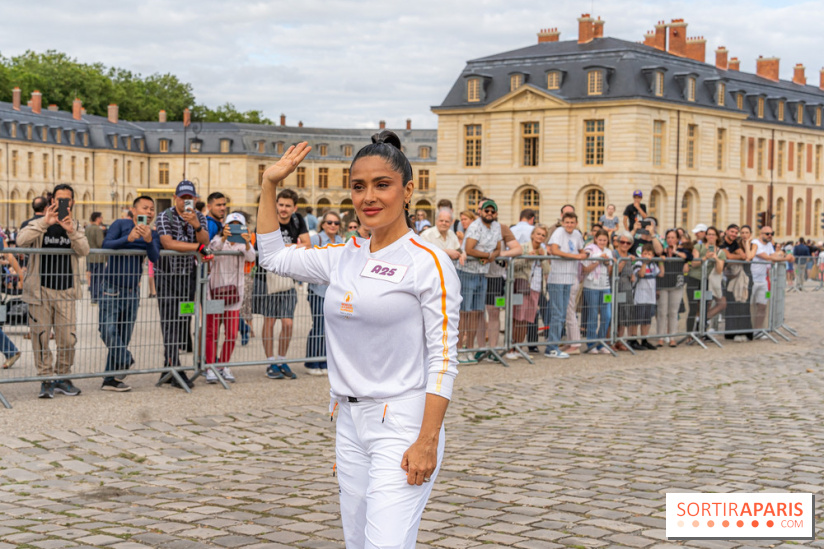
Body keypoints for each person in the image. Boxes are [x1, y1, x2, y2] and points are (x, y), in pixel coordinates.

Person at [257, 132, 459, 548]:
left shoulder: (428, 261)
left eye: (382, 185)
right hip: (348, 421)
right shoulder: (344, 254)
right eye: (359, 186)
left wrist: (427, 440)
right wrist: (269, 184)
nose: (369, 197)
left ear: (408, 189)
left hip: (402, 422)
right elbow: (273, 256)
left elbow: (443, 359)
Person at [17, 184, 90, 398]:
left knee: (68, 339)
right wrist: (44, 222)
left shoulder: (75, 225)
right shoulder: (36, 223)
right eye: (59, 199)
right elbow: (21, 241)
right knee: (40, 338)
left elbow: (84, 250)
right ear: (52, 201)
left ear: (73, 203)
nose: (62, 203)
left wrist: (72, 231)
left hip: (66, 290)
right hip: (39, 290)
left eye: (67, 199)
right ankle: (46, 378)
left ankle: (63, 376)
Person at [98, 196, 160, 391]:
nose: (149, 212)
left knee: (123, 334)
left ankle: (111, 379)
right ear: (134, 210)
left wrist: (149, 240)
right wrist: (129, 238)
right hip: (112, 288)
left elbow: (155, 256)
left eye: (152, 209)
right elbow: (106, 245)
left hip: (133, 290)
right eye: (145, 208)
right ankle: (125, 358)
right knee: (107, 329)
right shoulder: (121, 224)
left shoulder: (153, 233)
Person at [156, 180, 211, 389]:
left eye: (190, 198)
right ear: (175, 198)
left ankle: (168, 364)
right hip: (168, 276)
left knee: (182, 319)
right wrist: (197, 246)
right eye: (182, 198)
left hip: (189, 276)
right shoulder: (165, 216)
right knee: (169, 320)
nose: (186, 201)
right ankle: (175, 367)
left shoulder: (200, 217)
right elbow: (167, 243)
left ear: (195, 199)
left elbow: (205, 239)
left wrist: (196, 225)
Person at [259, 188, 309, 380]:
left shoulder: (297, 220)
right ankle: (270, 361)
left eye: (288, 206)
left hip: (288, 278)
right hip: (268, 278)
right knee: (269, 321)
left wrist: (284, 248)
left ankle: (281, 359)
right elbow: (263, 247)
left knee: (288, 323)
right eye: (280, 204)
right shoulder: (269, 218)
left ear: (294, 208)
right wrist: (294, 247)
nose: (283, 209)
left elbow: (308, 243)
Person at [205, 212, 255, 383]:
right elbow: (211, 250)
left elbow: (252, 257)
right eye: (230, 225)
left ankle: (223, 364)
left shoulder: (242, 246)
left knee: (232, 333)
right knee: (211, 332)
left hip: (234, 296)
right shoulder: (218, 241)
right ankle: (210, 366)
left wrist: (247, 242)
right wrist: (224, 238)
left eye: (237, 225)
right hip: (214, 293)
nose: (233, 229)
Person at [456, 199, 501, 361]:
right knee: (464, 313)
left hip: (482, 273)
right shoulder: (475, 226)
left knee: (476, 313)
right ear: (481, 212)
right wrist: (487, 256)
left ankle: (470, 348)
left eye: (492, 211)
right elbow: (469, 249)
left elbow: (498, 248)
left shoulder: (496, 226)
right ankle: (459, 349)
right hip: (467, 272)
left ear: (495, 213)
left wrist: (489, 257)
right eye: (486, 211)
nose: (489, 214)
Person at [304, 210, 344, 376]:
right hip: (318, 290)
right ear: (323, 224)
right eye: (329, 222)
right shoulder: (316, 239)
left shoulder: (341, 240)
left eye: (336, 223)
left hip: (334, 290)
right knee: (318, 326)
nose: (333, 225)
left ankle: (325, 360)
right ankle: (312, 362)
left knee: (330, 328)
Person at [545, 211, 587, 359]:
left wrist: (585, 254)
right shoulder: (558, 232)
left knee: (563, 313)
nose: (569, 225)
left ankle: (553, 344)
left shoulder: (576, 234)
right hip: (557, 277)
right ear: (563, 222)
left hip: (570, 277)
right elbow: (554, 250)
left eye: (572, 222)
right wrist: (576, 256)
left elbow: (582, 250)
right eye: (567, 222)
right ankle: (551, 347)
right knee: (558, 313)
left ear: (576, 223)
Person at [509, 224, 550, 359]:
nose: (540, 237)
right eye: (538, 234)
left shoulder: (542, 250)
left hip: (536, 287)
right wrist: (527, 257)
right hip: (523, 285)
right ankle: (511, 348)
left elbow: (547, 270)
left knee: (527, 319)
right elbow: (513, 265)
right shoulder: (524, 247)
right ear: (532, 234)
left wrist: (543, 258)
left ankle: (519, 347)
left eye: (543, 235)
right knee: (518, 318)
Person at [751, 226, 792, 332]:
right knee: (750, 306)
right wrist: (785, 258)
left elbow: (773, 255)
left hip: (763, 279)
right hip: (752, 279)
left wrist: (781, 255)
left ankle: (758, 329)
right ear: (761, 234)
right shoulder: (755, 243)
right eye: (767, 233)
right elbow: (767, 257)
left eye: (771, 233)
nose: (770, 236)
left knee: (762, 306)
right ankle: (748, 329)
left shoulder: (769, 244)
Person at [581, 229, 613, 354]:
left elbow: (609, 270)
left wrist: (606, 262)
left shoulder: (608, 251)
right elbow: (585, 269)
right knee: (593, 315)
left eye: (604, 240)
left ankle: (601, 342)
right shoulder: (589, 249)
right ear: (595, 239)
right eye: (600, 240)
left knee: (607, 315)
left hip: (605, 287)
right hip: (591, 286)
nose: (602, 242)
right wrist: (598, 260)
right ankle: (591, 343)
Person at [656, 229, 687, 347]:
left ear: (677, 239)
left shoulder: (682, 250)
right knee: (662, 312)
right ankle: (660, 337)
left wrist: (676, 252)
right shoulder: (662, 252)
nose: (670, 240)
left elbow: (687, 257)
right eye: (668, 237)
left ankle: (672, 337)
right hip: (663, 284)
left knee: (673, 312)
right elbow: (657, 254)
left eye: (673, 237)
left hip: (676, 284)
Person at [632, 243, 664, 350]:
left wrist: (660, 261)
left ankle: (644, 339)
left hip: (650, 296)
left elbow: (661, 274)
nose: (647, 255)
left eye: (649, 254)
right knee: (637, 319)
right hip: (640, 296)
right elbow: (641, 274)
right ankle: (633, 339)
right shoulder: (638, 263)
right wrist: (644, 263)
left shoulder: (653, 265)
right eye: (645, 253)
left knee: (647, 320)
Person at [613, 231, 636, 351]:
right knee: (615, 314)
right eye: (622, 242)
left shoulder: (629, 255)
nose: (625, 244)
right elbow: (615, 271)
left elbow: (629, 271)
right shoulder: (614, 253)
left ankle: (620, 340)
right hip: (616, 286)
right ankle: (612, 340)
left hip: (627, 286)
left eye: (628, 243)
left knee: (624, 314)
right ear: (618, 242)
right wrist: (625, 260)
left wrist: (632, 274)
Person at [85, 212, 106, 305]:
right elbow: (100, 243)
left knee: (92, 278)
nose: (102, 219)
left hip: (89, 256)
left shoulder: (87, 229)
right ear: (97, 218)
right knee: (99, 278)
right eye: (101, 217)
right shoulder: (98, 229)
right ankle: (97, 297)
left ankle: (93, 297)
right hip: (98, 257)